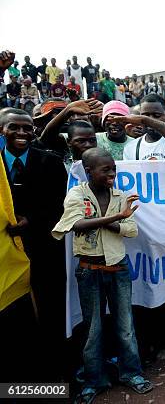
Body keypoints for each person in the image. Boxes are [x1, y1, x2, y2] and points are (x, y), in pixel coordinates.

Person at [52, 147, 153, 402]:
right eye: (105, 169)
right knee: (92, 329)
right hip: (89, 269)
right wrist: (117, 218)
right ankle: (93, 380)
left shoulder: (121, 196)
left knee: (125, 326)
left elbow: (130, 230)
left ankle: (131, 373)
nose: (112, 174)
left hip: (118, 268)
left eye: (113, 169)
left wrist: (109, 219)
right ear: (88, 172)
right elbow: (75, 224)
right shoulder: (77, 193)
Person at [1, 108, 68, 381]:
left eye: (27, 128)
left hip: (43, 249)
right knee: (13, 318)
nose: (21, 133)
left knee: (50, 313)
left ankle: (53, 379)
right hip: (4, 255)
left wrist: (33, 220)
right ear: (1, 130)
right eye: (13, 127)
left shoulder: (50, 162)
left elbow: (60, 205)